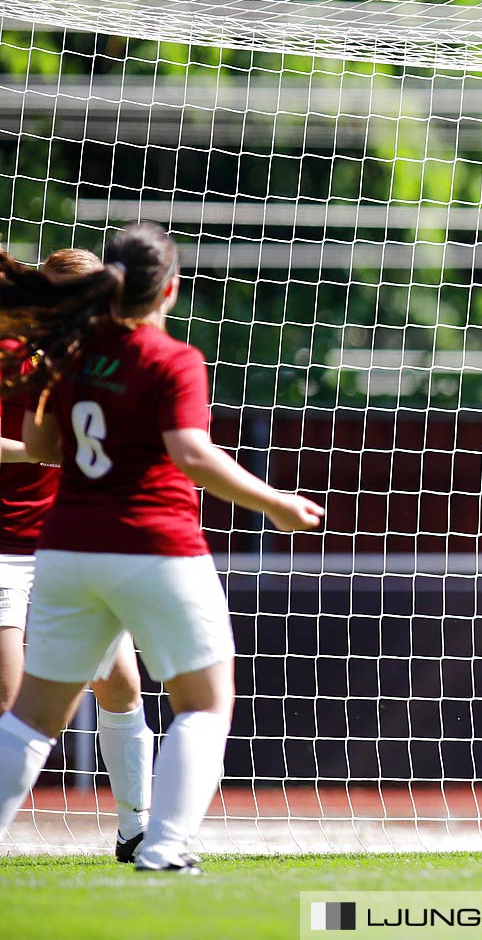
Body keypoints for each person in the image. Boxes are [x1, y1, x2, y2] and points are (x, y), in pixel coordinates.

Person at [0, 222, 324, 872]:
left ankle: (136, 828)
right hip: (152, 544)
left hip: (66, 550)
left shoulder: (66, 354)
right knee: (205, 702)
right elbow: (191, 454)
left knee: (32, 718)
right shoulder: (173, 358)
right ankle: (165, 848)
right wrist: (277, 504)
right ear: (170, 289)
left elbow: (40, 451)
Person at [0, 248, 155, 863]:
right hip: (2, 549)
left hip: (66, 546)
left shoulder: (100, 360)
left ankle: (137, 829)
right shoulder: (10, 353)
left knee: (120, 682)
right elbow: (45, 447)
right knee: (11, 696)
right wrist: (40, 451)